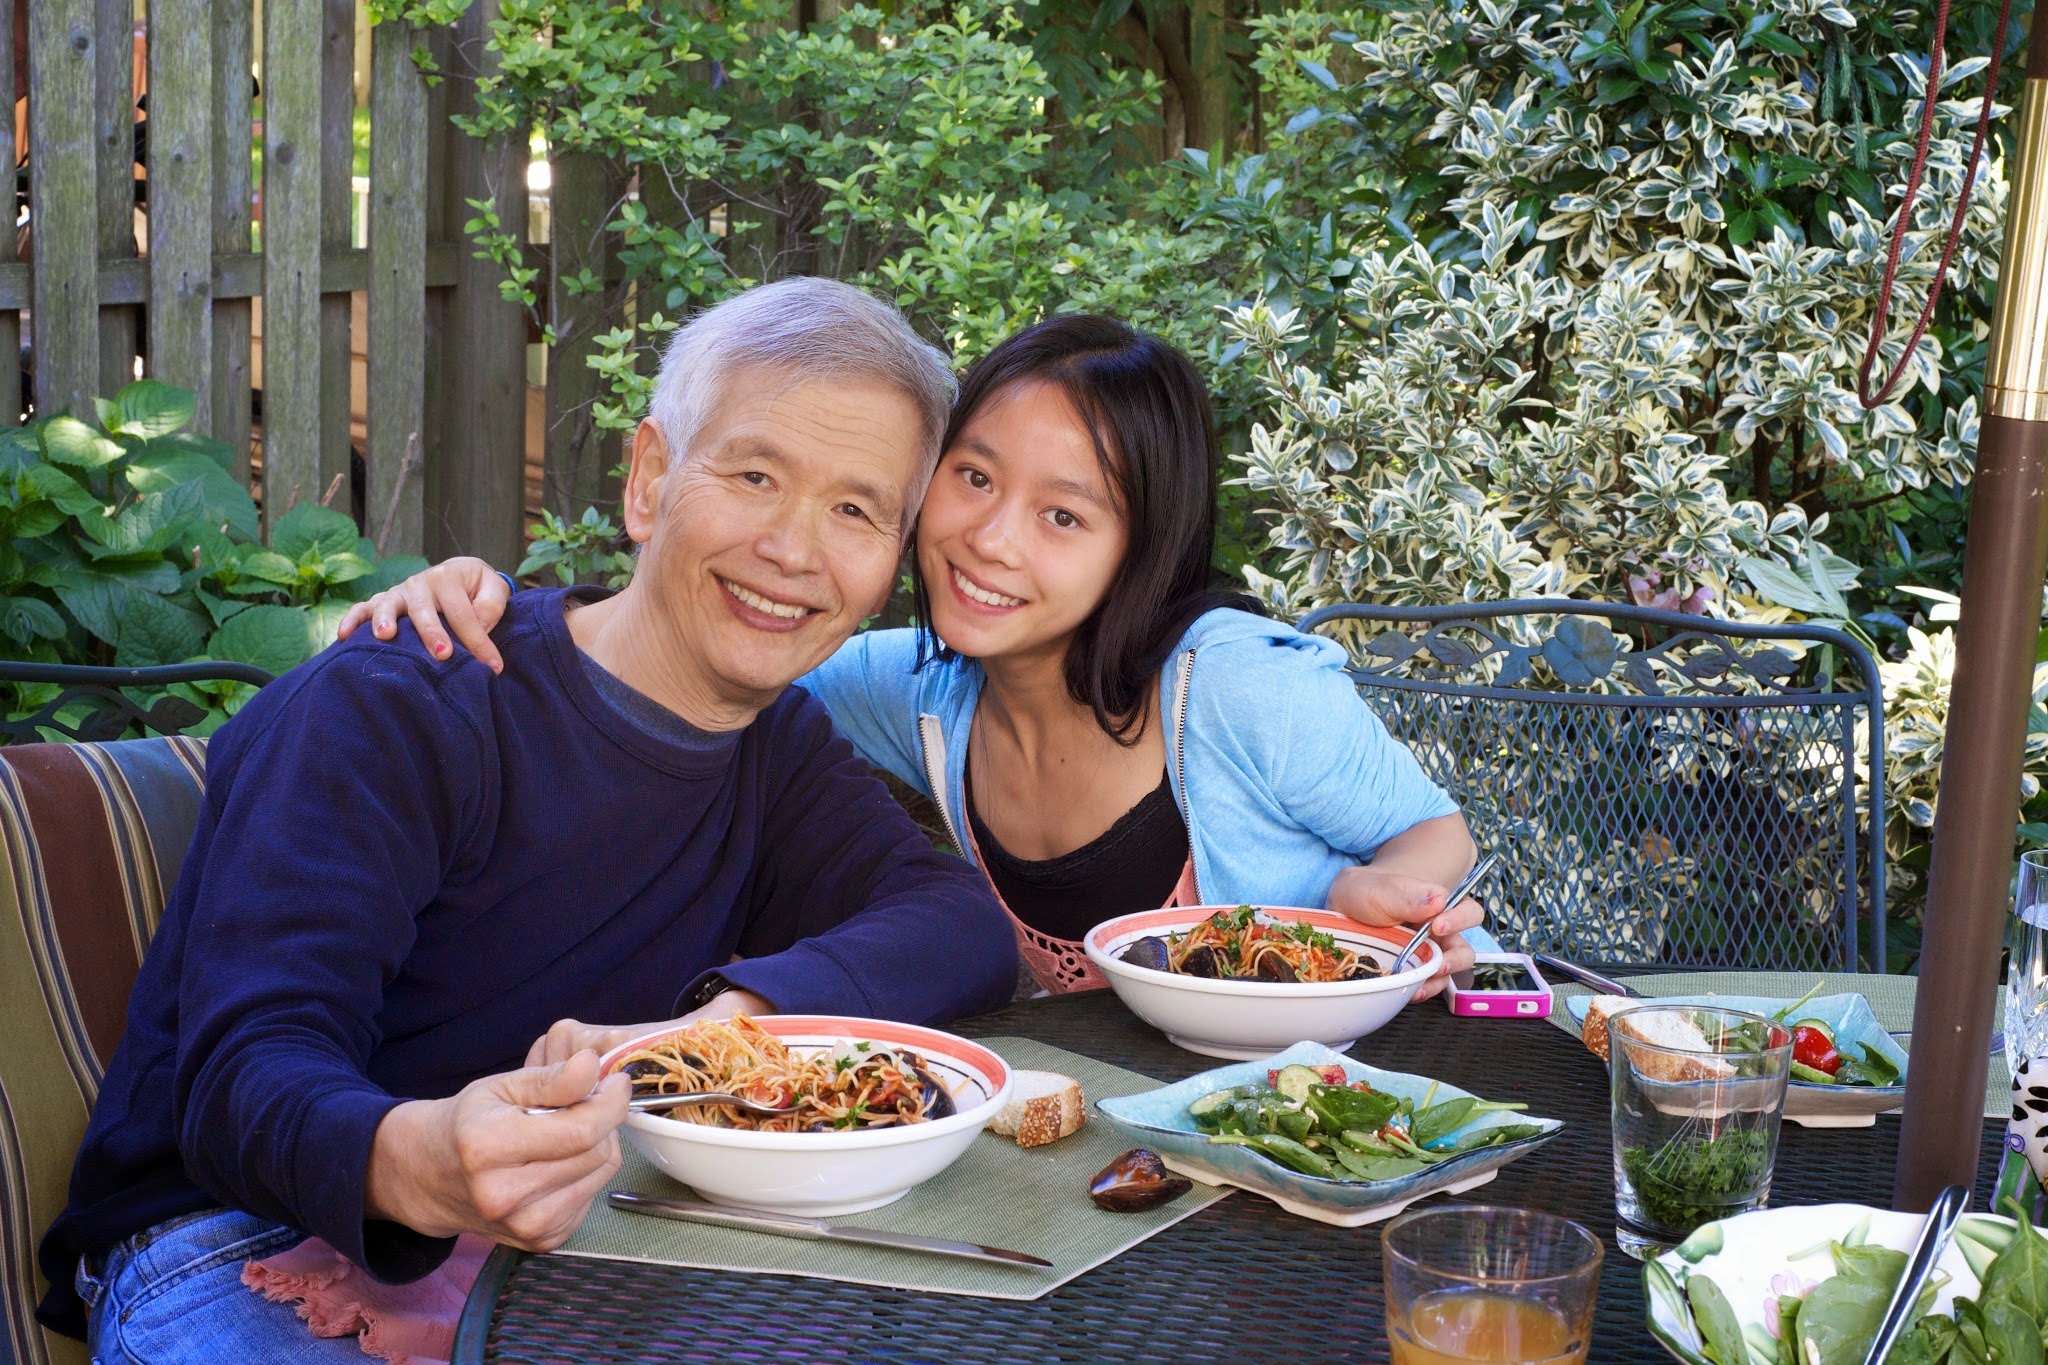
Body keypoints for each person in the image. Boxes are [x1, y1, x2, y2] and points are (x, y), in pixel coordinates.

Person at [36, 278, 1018, 1361]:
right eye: (753, 475)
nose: (794, 546)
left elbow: (957, 926)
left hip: (577, 1240)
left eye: (854, 510)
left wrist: (724, 1027)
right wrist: (416, 1159)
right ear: (650, 480)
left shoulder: (773, 751)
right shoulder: (406, 698)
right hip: (230, 1238)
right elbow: (241, 1072)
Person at [339, 315, 1487, 998]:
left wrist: (1358, 907)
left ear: (1139, 550)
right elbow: (698, 647)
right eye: (975, 477)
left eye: (1063, 516)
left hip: (1328, 1098)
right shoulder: (920, 690)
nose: (989, 539)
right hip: (1105, 1145)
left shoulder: (1234, 685)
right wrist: (490, 602)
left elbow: (1441, 835)